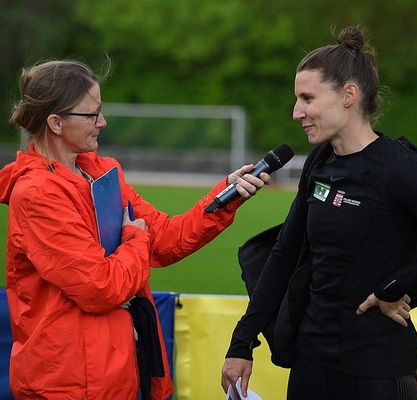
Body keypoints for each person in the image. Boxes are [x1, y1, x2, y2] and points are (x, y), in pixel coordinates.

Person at [221, 26, 417, 400]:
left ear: (349, 95)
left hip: (378, 371)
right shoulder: (320, 161)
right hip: (310, 363)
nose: (296, 112)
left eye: (307, 98)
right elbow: (285, 254)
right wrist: (242, 343)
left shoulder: (404, 170)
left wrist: (400, 287)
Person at [0, 59, 270, 399]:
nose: (103, 122)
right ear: (55, 122)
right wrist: (134, 237)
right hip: (66, 384)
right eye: (92, 114)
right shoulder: (37, 194)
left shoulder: (101, 173)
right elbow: (99, 287)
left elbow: (166, 240)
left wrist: (224, 197)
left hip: (117, 372)